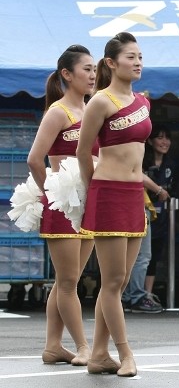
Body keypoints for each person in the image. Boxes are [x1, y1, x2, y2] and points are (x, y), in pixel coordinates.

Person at [77, 31, 151, 377]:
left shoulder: (143, 102)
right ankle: (125, 353)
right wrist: (93, 190)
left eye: (140, 57)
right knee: (113, 280)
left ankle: (98, 354)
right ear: (111, 62)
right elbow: (83, 151)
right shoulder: (100, 101)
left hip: (134, 195)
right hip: (108, 192)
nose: (137, 63)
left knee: (118, 283)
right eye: (130, 57)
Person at [26, 45, 97, 366]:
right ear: (67, 74)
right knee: (68, 282)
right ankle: (83, 346)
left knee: (68, 280)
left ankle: (53, 346)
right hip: (63, 204)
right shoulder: (58, 112)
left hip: (88, 203)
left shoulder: (91, 109)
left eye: (95, 69)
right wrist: (53, 193)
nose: (93, 75)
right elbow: (34, 159)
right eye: (86, 69)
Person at [142, 124, 175, 305]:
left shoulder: (171, 164)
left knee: (154, 255)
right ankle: (134, 293)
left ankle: (147, 293)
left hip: (163, 217)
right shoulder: (142, 161)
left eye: (167, 138)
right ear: (150, 141)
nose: (164, 142)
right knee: (140, 256)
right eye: (160, 137)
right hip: (143, 213)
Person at [121, 187, 163, 314]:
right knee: (142, 256)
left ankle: (126, 297)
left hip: (122, 204)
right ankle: (137, 297)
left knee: (127, 256)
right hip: (137, 203)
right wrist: (159, 190)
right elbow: (141, 177)